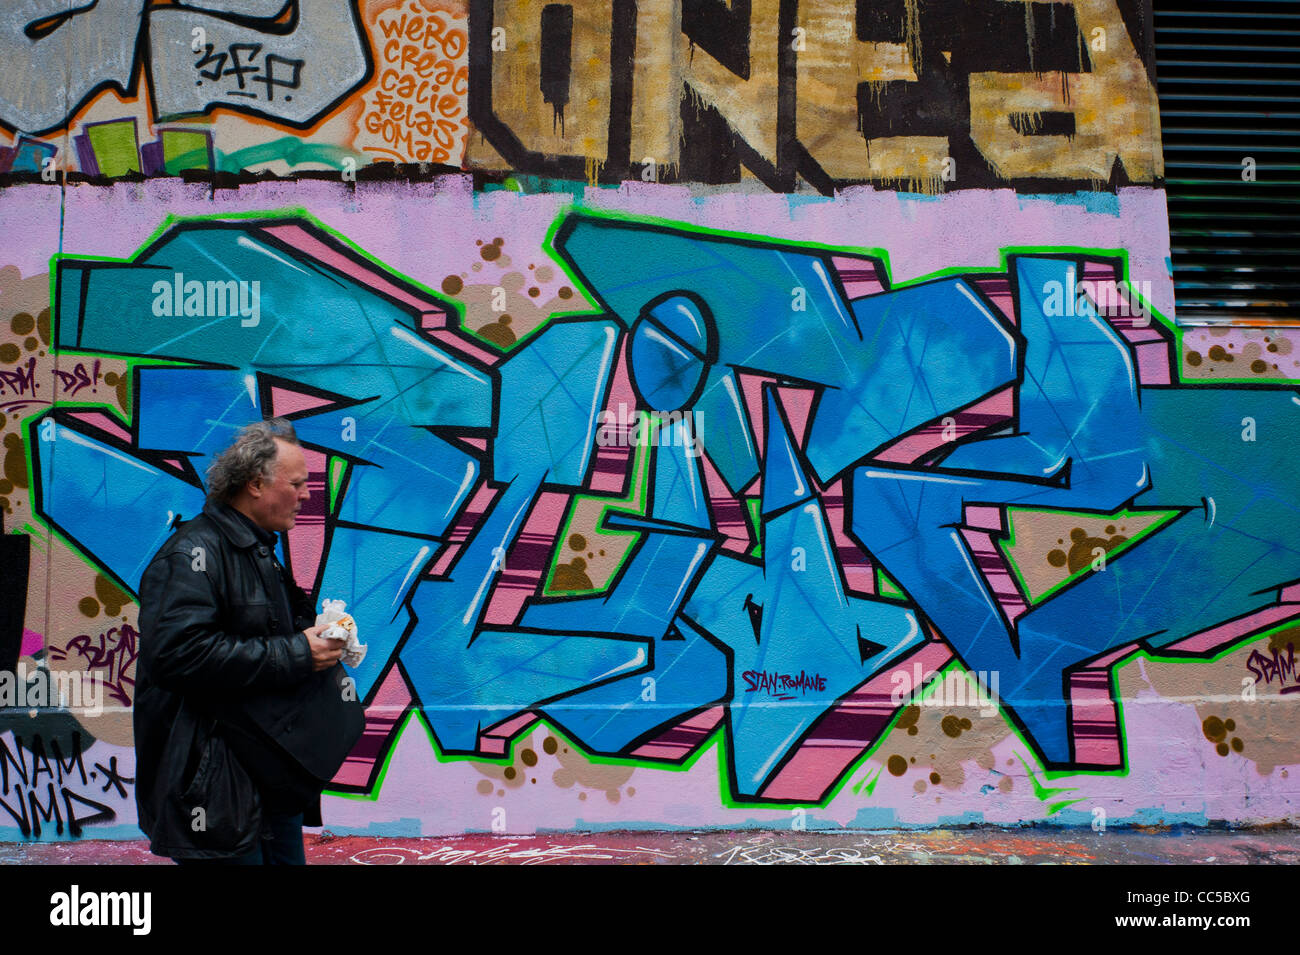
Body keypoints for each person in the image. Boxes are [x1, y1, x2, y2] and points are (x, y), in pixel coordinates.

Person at [133, 418, 362, 864]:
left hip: (266, 776)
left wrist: (319, 636)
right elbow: (178, 656)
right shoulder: (192, 553)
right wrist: (299, 652)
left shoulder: (256, 549)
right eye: (297, 483)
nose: (308, 494)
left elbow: (254, 639)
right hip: (217, 785)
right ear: (256, 484)